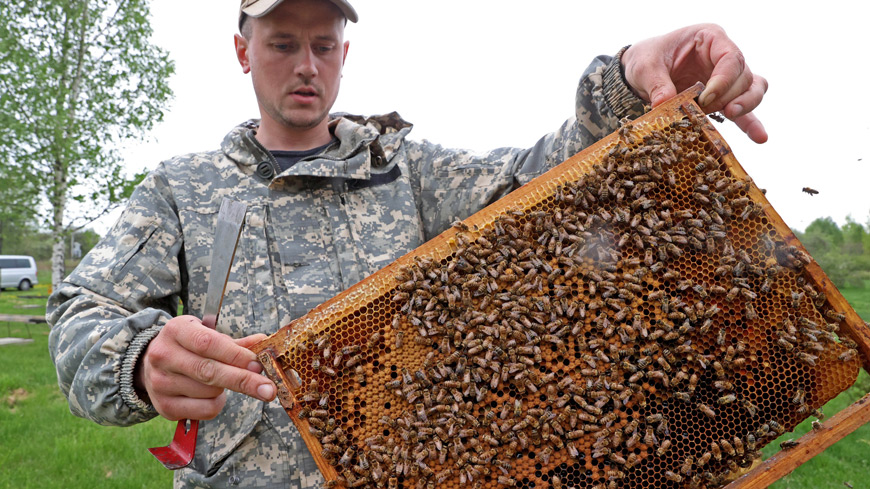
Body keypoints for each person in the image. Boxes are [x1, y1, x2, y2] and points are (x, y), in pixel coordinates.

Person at [47, 0, 768, 487]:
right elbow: (80, 311)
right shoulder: (183, 187)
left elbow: (536, 177)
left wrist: (623, 81)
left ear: (344, 53)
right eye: (282, 43)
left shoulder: (408, 169)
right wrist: (138, 360)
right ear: (242, 50)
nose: (306, 64)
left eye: (323, 45)